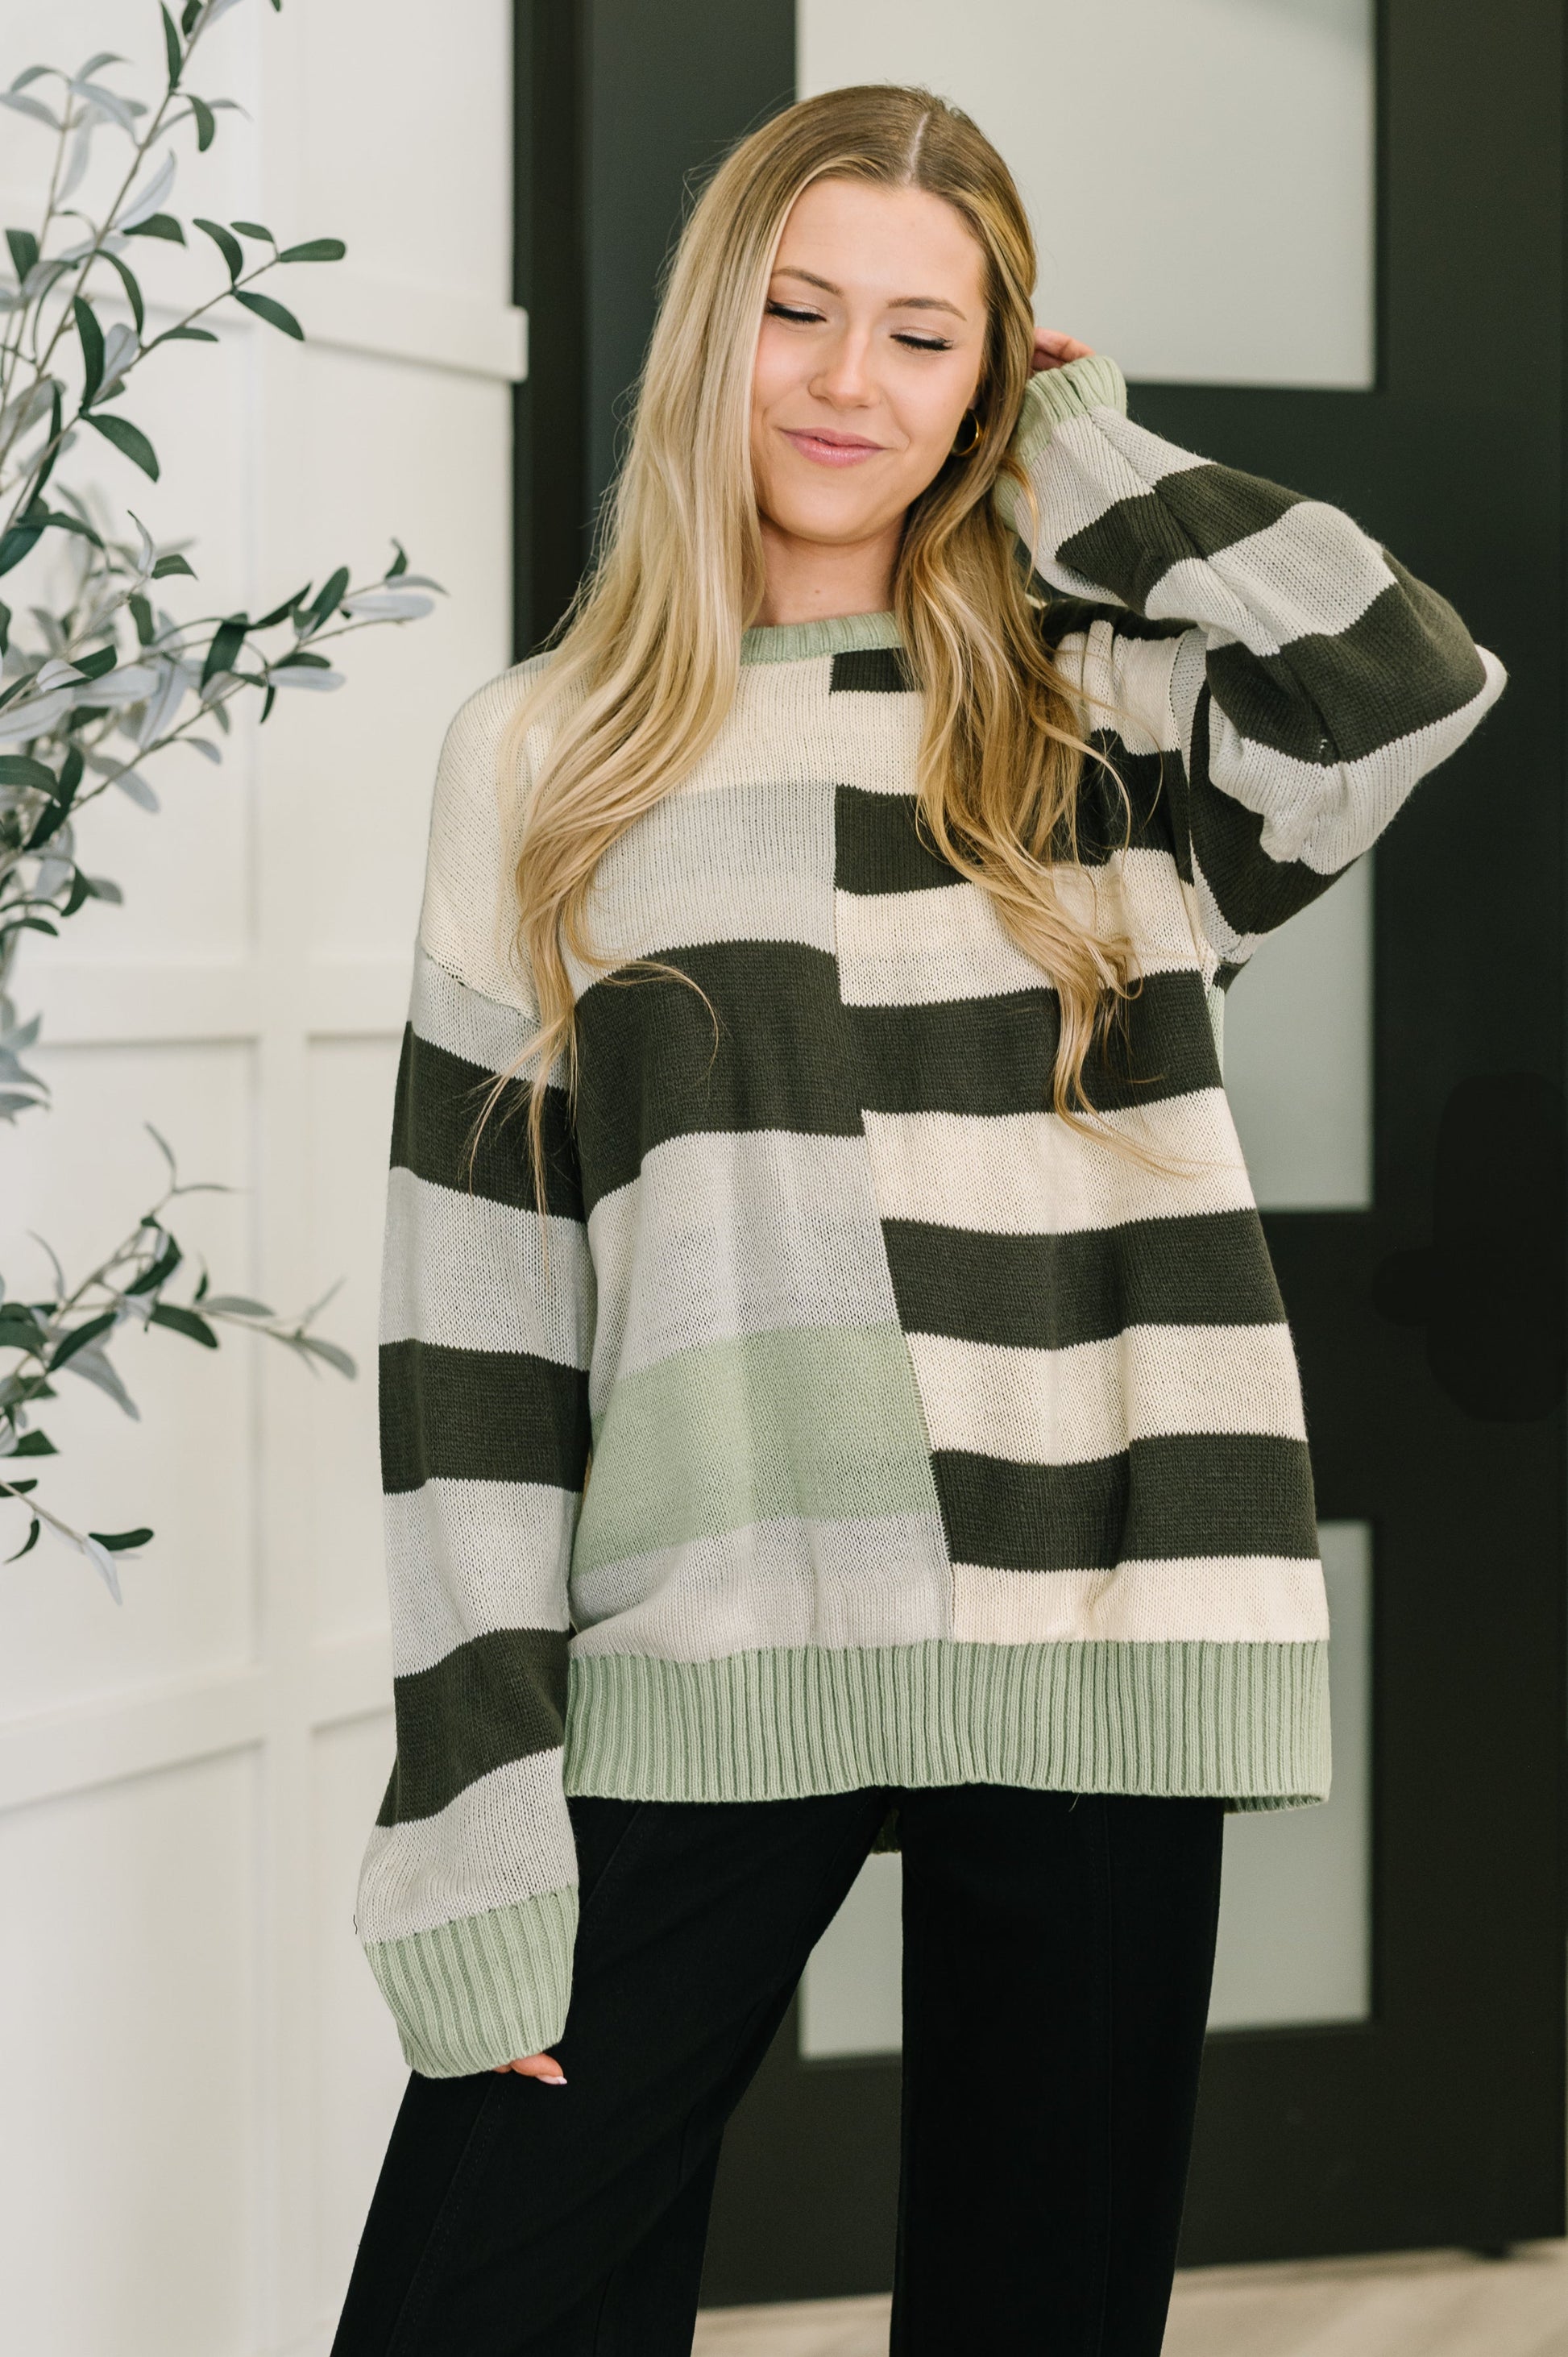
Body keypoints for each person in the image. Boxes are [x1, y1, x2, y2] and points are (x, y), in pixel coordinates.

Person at [331, 81, 1504, 2357]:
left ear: (990, 383)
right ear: (712, 328)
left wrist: (1083, 450)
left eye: (923, 335)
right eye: (796, 310)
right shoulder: (543, 750)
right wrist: (472, 1805)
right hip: (704, 1631)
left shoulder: (1107, 717)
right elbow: (472, 1313)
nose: (846, 383)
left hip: (1095, 1624)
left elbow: (1401, 681)